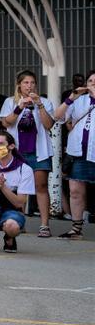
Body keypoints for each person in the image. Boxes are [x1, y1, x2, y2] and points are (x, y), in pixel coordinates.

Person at [0, 70, 56, 237]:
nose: (29, 86)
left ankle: (44, 225)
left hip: (39, 151)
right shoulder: (10, 102)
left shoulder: (44, 102)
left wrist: (39, 105)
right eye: (25, 83)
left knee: (41, 186)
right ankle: (19, 220)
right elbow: (6, 122)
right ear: (19, 85)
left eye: (32, 83)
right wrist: (20, 107)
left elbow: (48, 125)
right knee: (18, 188)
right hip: (17, 151)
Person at [56, 70, 95, 240]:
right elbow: (58, 117)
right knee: (75, 190)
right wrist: (70, 98)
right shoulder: (79, 100)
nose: (93, 82)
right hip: (78, 152)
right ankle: (76, 228)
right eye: (90, 80)